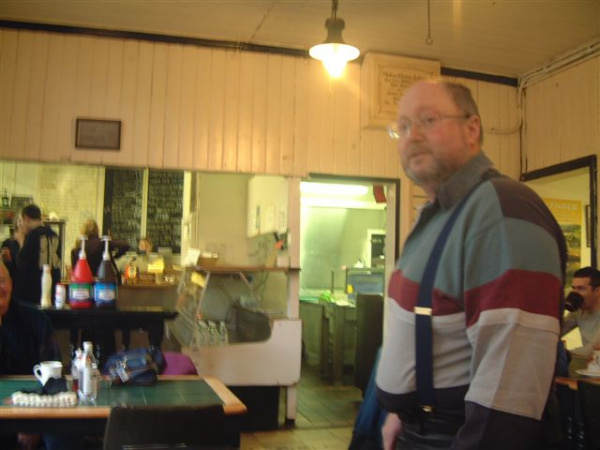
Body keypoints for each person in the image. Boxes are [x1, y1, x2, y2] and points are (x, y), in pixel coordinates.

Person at [376, 79, 567, 449]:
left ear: (472, 129)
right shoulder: (438, 216)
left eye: (428, 119)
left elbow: (511, 392)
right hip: (420, 429)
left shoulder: (503, 210)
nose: (412, 136)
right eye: (402, 126)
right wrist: (401, 412)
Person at [0, 260, 65, 450]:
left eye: (2, 281)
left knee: (64, 439)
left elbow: (54, 379)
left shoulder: (36, 320)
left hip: (34, 412)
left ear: (11, 284)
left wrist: (34, 425)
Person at [12, 204, 61, 305]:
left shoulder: (33, 235)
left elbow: (21, 265)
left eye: (21, 220)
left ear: (26, 218)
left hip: (34, 293)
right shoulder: (54, 235)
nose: (21, 225)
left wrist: (21, 242)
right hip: (53, 290)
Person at [562, 266, 600, 358]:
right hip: (593, 367)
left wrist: (562, 355)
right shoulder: (578, 312)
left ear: (597, 291)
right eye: (574, 288)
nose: (575, 293)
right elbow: (555, 332)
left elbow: (592, 349)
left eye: (581, 288)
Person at [0, 212, 26, 281]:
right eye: (20, 220)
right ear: (16, 223)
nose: (21, 224)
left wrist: (21, 242)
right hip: (11, 284)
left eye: (24, 221)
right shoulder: (8, 243)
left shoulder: (32, 243)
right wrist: (5, 261)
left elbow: (26, 268)